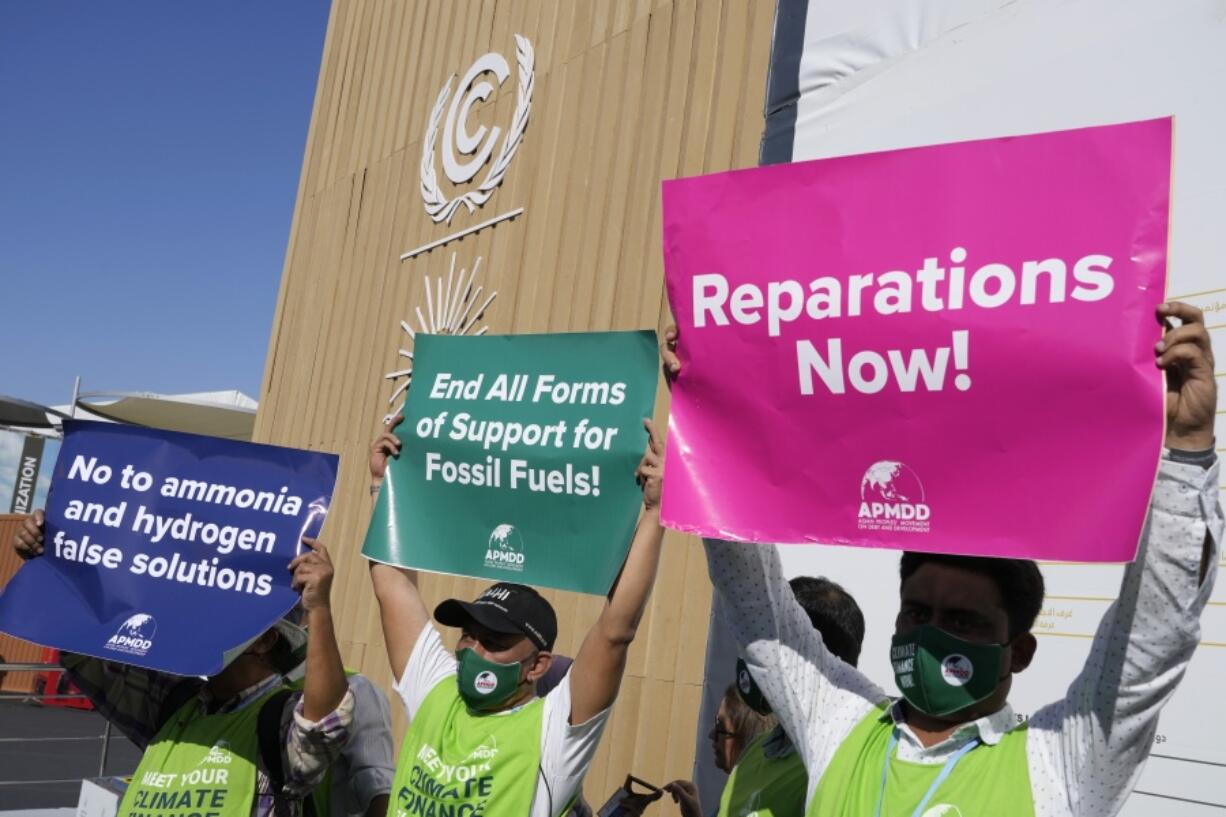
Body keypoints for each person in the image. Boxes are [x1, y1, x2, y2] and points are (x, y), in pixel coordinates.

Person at [661, 301, 1222, 816]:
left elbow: (1150, 646)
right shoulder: (841, 722)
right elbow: (758, 608)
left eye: (962, 621)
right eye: (917, 613)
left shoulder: (1058, 764)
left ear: (1018, 651)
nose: (931, 635)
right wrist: (708, 421)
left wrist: (1186, 452)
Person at [368, 414, 667, 817]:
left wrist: (654, 512)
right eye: (469, 634)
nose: (473, 650)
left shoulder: (554, 734)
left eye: (494, 641)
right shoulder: (435, 693)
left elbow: (616, 631)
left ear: (537, 665)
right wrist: (384, 486)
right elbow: (392, 588)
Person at [13, 515, 354, 817]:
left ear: (265, 642)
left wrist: (319, 608)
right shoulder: (175, 704)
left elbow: (323, 726)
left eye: (221, 614)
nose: (200, 621)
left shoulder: (275, 719)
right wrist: (52, 565)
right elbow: (84, 652)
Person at [666, 577, 866, 817]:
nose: (758, 656)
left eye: (770, 643)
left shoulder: (843, 770)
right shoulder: (755, 752)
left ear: (812, 657)